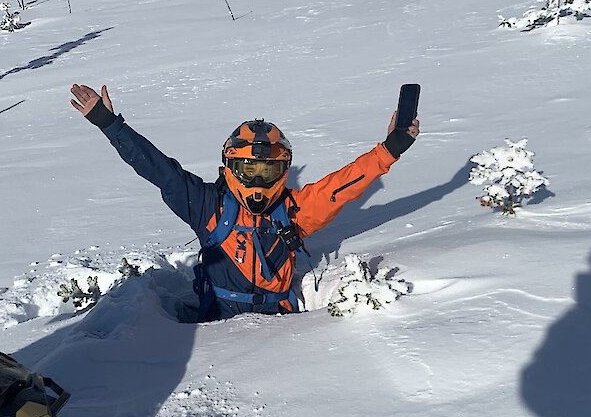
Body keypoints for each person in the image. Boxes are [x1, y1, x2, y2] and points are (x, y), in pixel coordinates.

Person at [70, 83, 419, 320]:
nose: (257, 181)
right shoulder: (207, 205)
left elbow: (343, 186)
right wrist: (110, 124)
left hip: (279, 326)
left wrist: (389, 150)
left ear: (282, 170)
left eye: (267, 171)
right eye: (247, 169)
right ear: (229, 167)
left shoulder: (294, 210)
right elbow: (157, 168)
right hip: (215, 324)